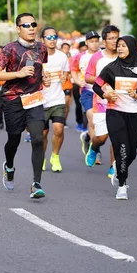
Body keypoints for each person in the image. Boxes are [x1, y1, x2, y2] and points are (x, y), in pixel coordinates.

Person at [0, 13, 50, 199]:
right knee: (14, 138)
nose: (31, 28)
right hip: (13, 99)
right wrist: (18, 74)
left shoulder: (41, 47)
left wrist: (44, 78)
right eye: (26, 25)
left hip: (34, 98)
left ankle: (36, 183)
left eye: (33, 24)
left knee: (38, 138)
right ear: (18, 29)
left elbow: (41, 68)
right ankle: (9, 165)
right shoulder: (9, 49)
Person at [94, 35, 137, 200]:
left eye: (124, 46)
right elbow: (97, 85)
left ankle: (118, 168)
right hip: (115, 113)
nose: (120, 48)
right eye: (118, 45)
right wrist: (105, 95)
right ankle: (122, 186)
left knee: (132, 152)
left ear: (132, 48)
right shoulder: (111, 68)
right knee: (123, 149)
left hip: (133, 114)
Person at [84, 25, 120, 175]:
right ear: (104, 41)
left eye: (116, 38)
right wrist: (103, 80)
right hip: (100, 103)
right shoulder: (97, 57)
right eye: (111, 38)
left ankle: (113, 167)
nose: (114, 41)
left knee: (116, 137)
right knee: (102, 138)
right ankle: (94, 147)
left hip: (119, 103)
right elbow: (87, 77)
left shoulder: (124, 56)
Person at [40, 27, 70, 173]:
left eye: (54, 37)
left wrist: (65, 77)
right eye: (49, 37)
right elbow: (29, 77)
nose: (52, 40)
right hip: (40, 100)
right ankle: (42, 158)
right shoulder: (36, 57)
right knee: (43, 133)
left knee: (58, 129)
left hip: (57, 98)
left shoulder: (62, 56)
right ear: (42, 40)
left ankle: (55, 156)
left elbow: (66, 73)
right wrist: (40, 81)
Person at [76, 31, 102, 156]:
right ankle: (96, 151)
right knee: (92, 121)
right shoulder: (80, 56)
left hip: (103, 93)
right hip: (87, 91)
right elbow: (73, 70)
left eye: (97, 41)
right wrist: (77, 81)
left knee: (101, 124)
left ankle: (87, 136)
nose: (95, 44)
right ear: (86, 43)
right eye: (92, 41)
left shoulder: (104, 55)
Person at [70, 41, 87, 132]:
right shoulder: (75, 58)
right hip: (77, 84)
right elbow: (72, 70)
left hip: (88, 84)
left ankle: (86, 124)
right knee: (79, 104)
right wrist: (77, 80)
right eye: (82, 49)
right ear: (79, 49)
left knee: (88, 105)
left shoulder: (91, 57)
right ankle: (80, 123)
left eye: (85, 49)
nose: (84, 51)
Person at [60, 42, 73, 124]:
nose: (66, 50)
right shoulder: (57, 59)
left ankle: (64, 120)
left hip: (68, 85)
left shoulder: (71, 60)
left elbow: (73, 72)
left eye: (67, 48)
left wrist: (71, 75)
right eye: (64, 48)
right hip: (59, 86)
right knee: (62, 104)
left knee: (67, 103)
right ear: (61, 49)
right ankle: (60, 119)